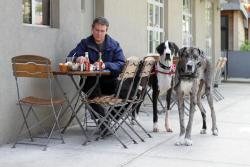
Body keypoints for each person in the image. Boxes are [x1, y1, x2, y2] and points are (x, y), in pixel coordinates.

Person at [67, 17, 125, 129]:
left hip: (109, 83)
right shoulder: (85, 43)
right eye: (97, 30)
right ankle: (104, 123)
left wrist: (105, 65)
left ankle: (108, 118)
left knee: (134, 91)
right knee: (90, 87)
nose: (99, 34)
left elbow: (121, 64)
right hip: (90, 82)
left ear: (106, 31)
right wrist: (78, 58)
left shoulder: (114, 45)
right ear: (92, 29)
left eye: (102, 31)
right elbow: (69, 58)